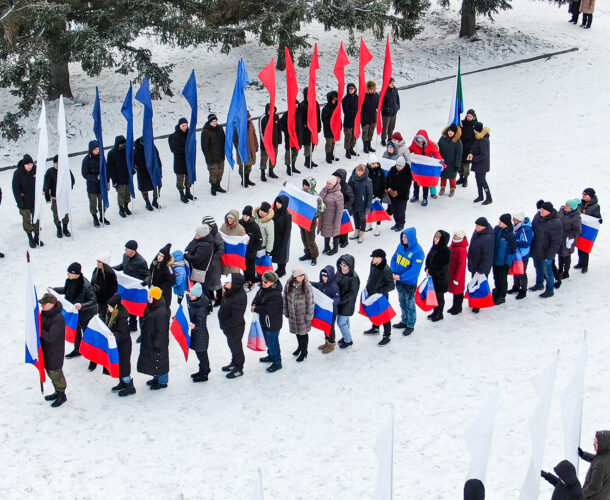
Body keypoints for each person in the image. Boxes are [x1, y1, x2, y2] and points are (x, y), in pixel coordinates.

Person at [53, 262, 97, 359]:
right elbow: (66, 290)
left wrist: (82, 305)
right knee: (76, 332)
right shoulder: (69, 280)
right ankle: (77, 349)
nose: (67, 274)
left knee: (88, 335)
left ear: (76, 274)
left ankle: (92, 355)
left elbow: (93, 300)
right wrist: (54, 290)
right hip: (74, 313)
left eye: (70, 273)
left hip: (86, 315)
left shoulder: (85, 285)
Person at [390, 228, 424, 335]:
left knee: (410, 304)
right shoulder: (400, 246)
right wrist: (394, 271)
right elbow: (394, 258)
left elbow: (415, 270)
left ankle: (410, 324)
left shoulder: (418, 252)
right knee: (402, 302)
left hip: (409, 283)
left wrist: (401, 277)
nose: (404, 239)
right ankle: (404, 320)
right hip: (399, 281)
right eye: (403, 237)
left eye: (406, 237)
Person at [137, 286, 170, 390]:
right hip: (150, 340)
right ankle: (156, 377)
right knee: (154, 360)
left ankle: (163, 381)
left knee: (160, 361)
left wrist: (158, 343)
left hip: (157, 342)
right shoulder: (152, 306)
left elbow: (162, 330)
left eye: (150, 297)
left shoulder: (161, 312)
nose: (148, 299)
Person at [113, 240, 150, 331]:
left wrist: (145, 282)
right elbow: (122, 265)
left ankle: (142, 330)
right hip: (127, 287)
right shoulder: (125, 256)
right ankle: (132, 325)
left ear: (133, 250)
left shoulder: (141, 262)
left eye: (127, 248)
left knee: (137, 307)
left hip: (136, 289)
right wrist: (112, 269)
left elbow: (148, 274)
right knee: (128, 306)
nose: (125, 250)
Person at [38, 293, 68, 407]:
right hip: (46, 350)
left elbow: (51, 336)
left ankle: (61, 395)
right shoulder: (45, 312)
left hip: (54, 352)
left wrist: (39, 330)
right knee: (50, 372)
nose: (42, 306)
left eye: (44, 304)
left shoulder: (58, 318)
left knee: (56, 373)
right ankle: (57, 392)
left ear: (51, 304)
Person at [251, 270, 284, 372]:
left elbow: (268, 310)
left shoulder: (276, 295)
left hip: (272, 324)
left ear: (272, 283)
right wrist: (254, 304)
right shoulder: (263, 288)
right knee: (268, 342)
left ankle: (277, 362)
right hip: (265, 322)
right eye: (262, 280)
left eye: (266, 282)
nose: (263, 283)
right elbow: (257, 298)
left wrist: (255, 308)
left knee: (273, 343)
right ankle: (271, 356)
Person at [530, 201, 563, 299]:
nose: (541, 211)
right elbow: (532, 229)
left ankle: (550, 290)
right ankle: (539, 284)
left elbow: (556, 242)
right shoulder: (537, 216)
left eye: (544, 210)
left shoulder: (556, 222)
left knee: (548, 271)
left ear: (549, 211)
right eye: (541, 209)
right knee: (537, 267)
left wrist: (550, 255)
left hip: (546, 252)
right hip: (536, 249)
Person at [283, 265, 315, 362]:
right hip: (293, 314)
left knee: (303, 334)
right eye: (299, 276)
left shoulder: (307, 285)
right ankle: (300, 347)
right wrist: (286, 310)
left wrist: (309, 315)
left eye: (302, 275)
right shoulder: (289, 283)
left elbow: (311, 301)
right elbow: (284, 297)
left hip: (303, 315)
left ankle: (304, 351)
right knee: (297, 333)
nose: (302, 277)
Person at [105, 294, 135, 397]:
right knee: (120, 366)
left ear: (115, 307)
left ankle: (129, 386)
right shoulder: (113, 315)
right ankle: (122, 382)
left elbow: (124, 335)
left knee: (124, 367)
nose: (108, 308)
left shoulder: (122, 319)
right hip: (118, 345)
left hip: (124, 347)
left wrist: (114, 335)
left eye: (110, 307)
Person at [364, 249, 396, 345]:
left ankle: (387, 335)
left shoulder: (386, 270)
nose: (372, 259)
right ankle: (375, 327)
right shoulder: (373, 264)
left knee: (385, 316)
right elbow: (371, 276)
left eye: (374, 257)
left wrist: (380, 291)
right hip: (372, 294)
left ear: (380, 259)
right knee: (374, 311)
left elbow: (391, 286)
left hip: (381, 297)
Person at [219, 273, 247, 379]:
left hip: (234, 327)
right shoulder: (230, 291)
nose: (225, 283)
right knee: (232, 345)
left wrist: (226, 325)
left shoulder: (239, 297)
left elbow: (236, 317)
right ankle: (234, 362)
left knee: (236, 347)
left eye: (228, 282)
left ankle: (238, 368)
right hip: (228, 327)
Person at [12, 154, 42, 247]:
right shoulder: (18, 173)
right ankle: (30, 238)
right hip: (24, 202)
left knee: (36, 219)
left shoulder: (36, 170)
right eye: (27, 164)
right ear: (24, 165)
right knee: (27, 221)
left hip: (35, 200)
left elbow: (42, 181)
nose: (30, 166)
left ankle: (37, 237)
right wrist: (19, 202)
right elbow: (15, 189)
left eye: (31, 164)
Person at [43, 154, 74, 237]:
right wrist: (46, 194)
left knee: (65, 213)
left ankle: (65, 228)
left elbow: (72, 180)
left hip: (64, 197)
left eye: (59, 162)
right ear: (54, 164)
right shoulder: (50, 172)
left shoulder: (66, 170)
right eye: (56, 163)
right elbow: (46, 184)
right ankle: (58, 228)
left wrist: (69, 188)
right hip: (55, 197)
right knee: (56, 214)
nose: (58, 164)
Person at [467, 217, 495, 313]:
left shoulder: (489, 237)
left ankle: (477, 305)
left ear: (484, 227)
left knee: (479, 286)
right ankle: (474, 301)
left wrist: (481, 269)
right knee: (474, 284)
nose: (476, 227)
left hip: (481, 268)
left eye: (478, 225)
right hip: (474, 264)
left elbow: (487, 256)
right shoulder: (477, 233)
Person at [409, 130, 443, 206]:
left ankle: (425, 198)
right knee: (416, 182)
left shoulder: (430, 144)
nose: (420, 142)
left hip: (426, 167)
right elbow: (409, 150)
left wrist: (441, 162)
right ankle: (415, 196)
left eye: (422, 141)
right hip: (417, 166)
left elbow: (436, 153)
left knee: (425, 183)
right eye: (419, 141)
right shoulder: (414, 143)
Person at [312, 265, 341, 354]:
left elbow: (338, 299)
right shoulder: (322, 284)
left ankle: (331, 344)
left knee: (330, 328)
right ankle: (327, 342)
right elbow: (316, 285)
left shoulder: (334, 287)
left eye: (326, 276)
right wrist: (308, 282)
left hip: (332, 312)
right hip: (325, 311)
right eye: (323, 276)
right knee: (325, 326)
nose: (324, 278)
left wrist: (333, 301)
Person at [187, 283, 212, 382]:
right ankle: (202, 369)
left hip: (200, 336)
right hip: (197, 335)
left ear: (197, 296)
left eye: (191, 295)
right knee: (200, 354)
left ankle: (204, 373)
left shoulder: (201, 309)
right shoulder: (195, 301)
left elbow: (200, 323)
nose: (190, 296)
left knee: (202, 355)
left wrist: (194, 326)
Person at [81, 140, 110, 227]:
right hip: (92, 186)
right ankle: (95, 217)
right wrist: (95, 177)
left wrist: (107, 181)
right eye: (95, 149)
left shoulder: (101, 158)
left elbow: (106, 170)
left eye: (98, 149)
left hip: (101, 185)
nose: (98, 151)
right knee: (93, 203)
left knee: (102, 201)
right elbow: (84, 174)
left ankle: (102, 216)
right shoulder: (86, 160)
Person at [424, 230, 451, 321]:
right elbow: (428, 259)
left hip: (441, 279)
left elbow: (443, 267)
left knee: (439, 297)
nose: (435, 240)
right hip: (433, 277)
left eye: (438, 238)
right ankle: (435, 312)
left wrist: (432, 271)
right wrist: (427, 268)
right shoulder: (434, 248)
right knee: (434, 296)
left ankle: (439, 313)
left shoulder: (446, 251)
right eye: (435, 237)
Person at [554, 199, 582, 288]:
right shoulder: (561, 211)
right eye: (566, 204)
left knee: (566, 255)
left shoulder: (576, 217)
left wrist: (570, 238)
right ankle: (560, 269)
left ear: (572, 208)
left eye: (568, 205)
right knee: (559, 254)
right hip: (559, 237)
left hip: (568, 239)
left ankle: (566, 272)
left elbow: (577, 230)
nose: (565, 206)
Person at [575, 188, 602, 274]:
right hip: (580, 227)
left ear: (590, 196)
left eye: (585, 195)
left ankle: (584, 265)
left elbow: (597, 216)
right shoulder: (580, 203)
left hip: (587, 229)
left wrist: (599, 220)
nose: (583, 196)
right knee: (579, 246)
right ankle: (580, 263)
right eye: (583, 194)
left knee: (584, 248)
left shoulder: (596, 206)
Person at [508, 211, 534, 300]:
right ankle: (516, 287)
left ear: (519, 220)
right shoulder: (515, 227)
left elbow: (527, 243)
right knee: (515, 270)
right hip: (516, 253)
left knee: (522, 272)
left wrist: (515, 243)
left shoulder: (526, 229)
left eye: (515, 219)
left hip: (523, 254)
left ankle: (523, 290)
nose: (513, 220)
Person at [335, 254, 360, 348]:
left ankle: (348, 340)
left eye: (345, 266)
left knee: (341, 322)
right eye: (341, 264)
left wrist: (340, 300)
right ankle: (345, 336)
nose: (342, 267)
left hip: (347, 304)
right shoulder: (339, 272)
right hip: (339, 302)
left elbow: (352, 293)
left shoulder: (354, 278)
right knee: (345, 322)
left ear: (350, 266)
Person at [106, 135, 134, 216]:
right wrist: (114, 180)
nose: (122, 146)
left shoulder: (127, 151)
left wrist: (132, 170)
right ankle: (121, 208)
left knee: (128, 193)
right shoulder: (111, 153)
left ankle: (126, 206)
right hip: (119, 178)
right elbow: (110, 168)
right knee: (121, 194)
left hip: (127, 176)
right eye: (121, 144)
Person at [201, 215, 225, 307]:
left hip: (214, 264)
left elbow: (221, 248)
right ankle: (211, 296)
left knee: (216, 282)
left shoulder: (216, 235)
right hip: (207, 262)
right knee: (208, 281)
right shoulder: (205, 233)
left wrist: (213, 257)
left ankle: (219, 298)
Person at [168, 117, 194, 203]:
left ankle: (188, 192)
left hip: (188, 160)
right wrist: (186, 149)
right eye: (183, 125)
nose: (184, 127)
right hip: (179, 161)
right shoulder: (174, 136)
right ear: (179, 125)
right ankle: (181, 194)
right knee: (180, 179)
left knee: (188, 177)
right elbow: (175, 149)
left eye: (186, 125)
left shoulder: (189, 134)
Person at [492, 214, 517, 305]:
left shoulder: (510, 235)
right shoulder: (497, 229)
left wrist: (507, 262)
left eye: (501, 221)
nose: (499, 222)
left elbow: (512, 251)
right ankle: (497, 292)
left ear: (506, 223)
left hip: (503, 262)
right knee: (496, 277)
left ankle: (502, 296)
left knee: (502, 279)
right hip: (495, 260)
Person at [201, 113, 226, 196]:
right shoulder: (206, 131)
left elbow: (224, 140)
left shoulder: (220, 128)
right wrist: (208, 158)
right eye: (213, 121)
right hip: (212, 157)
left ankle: (218, 185)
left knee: (220, 172)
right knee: (213, 173)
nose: (215, 123)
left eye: (216, 121)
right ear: (209, 122)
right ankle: (213, 187)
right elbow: (204, 147)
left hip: (221, 155)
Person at [299, 178, 323, 266]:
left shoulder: (315, 195)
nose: (305, 187)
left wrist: (319, 203)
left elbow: (322, 208)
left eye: (307, 185)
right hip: (302, 218)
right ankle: (307, 253)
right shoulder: (301, 192)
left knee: (310, 239)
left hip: (311, 220)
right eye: (304, 185)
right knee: (303, 237)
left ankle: (314, 256)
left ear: (311, 186)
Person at [579, 430, 610, 498]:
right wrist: (583, 455)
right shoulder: (606, 453)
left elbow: (595, 487)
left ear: (603, 444)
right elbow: (597, 459)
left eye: (596, 442)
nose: (593, 444)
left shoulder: (600, 466)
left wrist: (581, 494)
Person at [318, 175, 344, 256]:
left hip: (333, 218)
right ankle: (326, 247)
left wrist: (337, 221)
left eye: (330, 183)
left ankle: (335, 248)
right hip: (324, 216)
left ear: (334, 184)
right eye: (327, 183)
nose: (328, 185)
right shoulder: (324, 190)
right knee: (326, 232)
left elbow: (340, 210)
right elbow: (319, 198)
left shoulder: (338, 194)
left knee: (334, 232)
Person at [134, 136, 161, 211]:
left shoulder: (152, 147)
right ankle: (147, 202)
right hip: (142, 171)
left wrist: (159, 168)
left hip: (153, 169)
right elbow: (134, 161)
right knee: (144, 187)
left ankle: (155, 200)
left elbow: (157, 157)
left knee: (157, 185)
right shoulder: (136, 149)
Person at [468, 122, 492, 205]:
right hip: (478, 164)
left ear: (476, 130)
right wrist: (471, 153)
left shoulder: (482, 140)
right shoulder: (479, 137)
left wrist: (474, 158)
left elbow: (484, 154)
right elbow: (474, 148)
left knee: (482, 181)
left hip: (482, 165)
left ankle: (489, 198)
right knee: (478, 180)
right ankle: (480, 196)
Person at [386, 157, 412, 232]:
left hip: (402, 196)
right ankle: (396, 223)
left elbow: (407, 185)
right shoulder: (392, 169)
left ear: (403, 166)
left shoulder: (407, 172)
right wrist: (389, 189)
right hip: (392, 195)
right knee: (394, 210)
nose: (398, 167)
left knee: (400, 211)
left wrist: (398, 192)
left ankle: (401, 224)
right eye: (397, 165)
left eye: (400, 166)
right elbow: (387, 180)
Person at [348, 164, 373, 243]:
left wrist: (368, 206)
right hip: (354, 203)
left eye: (361, 171)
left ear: (364, 172)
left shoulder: (368, 180)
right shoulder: (352, 178)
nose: (359, 173)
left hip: (363, 204)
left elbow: (369, 194)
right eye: (358, 171)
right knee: (355, 218)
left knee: (362, 219)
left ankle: (362, 232)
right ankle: (357, 230)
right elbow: (348, 189)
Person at [240, 205, 263, 288]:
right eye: (243, 215)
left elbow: (259, 241)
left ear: (250, 216)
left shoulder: (255, 226)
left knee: (250, 267)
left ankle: (251, 281)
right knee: (243, 266)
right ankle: (245, 279)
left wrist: (253, 249)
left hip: (251, 252)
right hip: (242, 251)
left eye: (246, 216)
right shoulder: (240, 223)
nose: (244, 217)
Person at [298, 87, 322, 169]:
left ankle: (310, 159)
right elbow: (300, 118)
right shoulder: (302, 105)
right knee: (307, 145)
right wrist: (305, 125)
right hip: (306, 129)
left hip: (314, 128)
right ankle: (307, 160)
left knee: (313, 144)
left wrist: (318, 126)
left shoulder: (315, 103)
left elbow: (318, 116)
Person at [148, 243, 175, 310]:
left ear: (165, 257)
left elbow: (172, 281)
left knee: (163, 309)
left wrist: (161, 287)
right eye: (159, 254)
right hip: (154, 289)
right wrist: (148, 281)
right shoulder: (155, 262)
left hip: (164, 293)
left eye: (162, 256)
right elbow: (150, 271)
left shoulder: (168, 267)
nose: (159, 257)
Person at [235, 112, 259, 188]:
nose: (250, 118)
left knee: (249, 165)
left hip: (251, 148)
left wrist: (256, 145)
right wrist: (238, 149)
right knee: (243, 166)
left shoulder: (251, 123)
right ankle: (243, 180)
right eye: (248, 117)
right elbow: (235, 139)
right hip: (243, 150)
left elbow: (254, 135)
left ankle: (247, 179)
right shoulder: (238, 126)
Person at [438, 124, 463, 197]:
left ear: (455, 133)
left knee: (452, 178)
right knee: (443, 176)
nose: (450, 132)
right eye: (449, 131)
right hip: (443, 162)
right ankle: (442, 188)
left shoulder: (458, 141)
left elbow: (459, 154)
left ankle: (452, 189)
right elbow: (438, 148)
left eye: (452, 131)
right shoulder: (443, 138)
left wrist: (457, 165)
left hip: (452, 163)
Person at [332, 168, 354, 248]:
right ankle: (339, 239)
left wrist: (345, 206)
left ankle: (345, 240)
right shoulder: (332, 185)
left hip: (344, 210)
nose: (337, 179)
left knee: (344, 225)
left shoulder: (346, 187)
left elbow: (351, 198)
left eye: (339, 178)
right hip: (335, 209)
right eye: (335, 177)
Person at [91, 251, 118, 316]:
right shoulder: (96, 270)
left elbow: (114, 289)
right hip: (96, 300)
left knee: (104, 317)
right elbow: (92, 283)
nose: (98, 263)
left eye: (100, 262)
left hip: (106, 302)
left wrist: (101, 289)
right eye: (97, 261)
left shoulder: (110, 273)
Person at [448, 229, 468, 315]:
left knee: (458, 291)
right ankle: (454, 306)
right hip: (452, 272)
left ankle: (458, 307)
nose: (454, 236)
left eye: (456, 235)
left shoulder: (461, 249)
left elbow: (461, 265)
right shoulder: (454, 244)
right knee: (455, 290)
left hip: (458, 274)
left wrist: (457, 278)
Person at [366, 153, 388, 236]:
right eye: (373, 163)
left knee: (378, 211)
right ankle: (369, 224)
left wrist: (380, 195)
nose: (375, 165)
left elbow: (383, 183)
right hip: (369, 196)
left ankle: (378, 227)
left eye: (376, 163)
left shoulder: (381, 171)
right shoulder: (367, 172)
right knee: (368, 210)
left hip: (378, 195)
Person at [259, 104, 282, 181]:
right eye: (270, 110)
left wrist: (279, 139)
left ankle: (271, 171)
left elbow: (279, 128)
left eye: (273, 109)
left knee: (273, 157)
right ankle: (262, 173)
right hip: (265, 143)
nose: (272, 111)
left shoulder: (276, 116)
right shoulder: (263, 118)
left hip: (274, 142)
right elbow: (261, 131)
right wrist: (264, 142)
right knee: (264, 158)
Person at [220, 210, 246, 275]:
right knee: (224, 274)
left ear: (235, 219)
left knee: (233, 275)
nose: (230, 220)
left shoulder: (240, 229)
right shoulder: (223, 226)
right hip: (225, 254)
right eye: (228, 218)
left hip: (234, 256)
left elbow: (243, 242)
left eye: (232, 218)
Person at [279, 104, 303, 175]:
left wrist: (301, 131)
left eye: (297, 104)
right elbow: (281, 124)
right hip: (289, 136)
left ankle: (293, 166)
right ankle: (288, 167)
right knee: (289, 152)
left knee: (295, 152)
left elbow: (301, 124)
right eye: (294, 104)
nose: (296, 106)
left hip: (298, 136)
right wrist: (287, 130)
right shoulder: (287, 114)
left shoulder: (299, 113)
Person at [272, 195, 292, 277]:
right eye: (277, 202)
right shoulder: (274, 211)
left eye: (280, 203)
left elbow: (287, 230)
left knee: (282, 254)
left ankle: (282, 270)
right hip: (276, 237)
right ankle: (279, 268)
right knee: (277, 254)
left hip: (283, 238)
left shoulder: (287, 215)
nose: (277, 205)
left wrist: (284, 242)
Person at [458, 109, 478, 187]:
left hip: (469, 147)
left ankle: (465, 179)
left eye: (470, 116)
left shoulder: (475, 125)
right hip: (461, 145)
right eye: (468, 116)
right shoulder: (462, 123)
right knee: (459, 163)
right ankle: (460, 177)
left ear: (473, 117)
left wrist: (472, 148)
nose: (469, 117)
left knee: (466, 164)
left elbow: (476, 138)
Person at [361, 80, 379, 153]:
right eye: (370, 89)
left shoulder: (376, 95)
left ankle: (369, 145)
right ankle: (365, 146)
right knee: (365, 132)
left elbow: (378, 105)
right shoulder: (363, 95)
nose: (371, 90)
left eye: (372, 89)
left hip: (373, 117)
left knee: (371, 132)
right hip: (365, 117)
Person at [381, 77, 400, 146]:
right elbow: (381, 102)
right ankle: (383, 139)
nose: (393, 84)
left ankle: (390, 137)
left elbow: (397, 99)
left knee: (392, 126)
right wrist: (385, 109)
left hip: (393, 112)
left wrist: (397, 107)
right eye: (391, 83)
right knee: (385, 126)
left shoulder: (395, 90)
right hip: (386, 113)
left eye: (393, 83)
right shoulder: (384, 91)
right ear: (388, 84)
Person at [321, 90, 339, 164]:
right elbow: (324, 119)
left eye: (335, 100)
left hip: (335, 128)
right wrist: (332, 121)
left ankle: (331, 155)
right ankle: (328, 156)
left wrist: (339, 125)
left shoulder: (336, 107)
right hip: (328, 128)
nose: (334, 101)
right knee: (329, 143)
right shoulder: (325, 108)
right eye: (333, 100)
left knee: (333, 142)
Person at [342, 83, 359, 158]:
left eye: (352, 89)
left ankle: (352, 148)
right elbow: (346, 111)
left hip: (355, 121)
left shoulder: (357, 97)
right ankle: (347, 150)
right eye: (349, 89)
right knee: (348, 136)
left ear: (355, 89)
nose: (351, 90)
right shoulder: (345, 99)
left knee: (354, 136)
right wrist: (355, 113)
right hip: (348, 121)